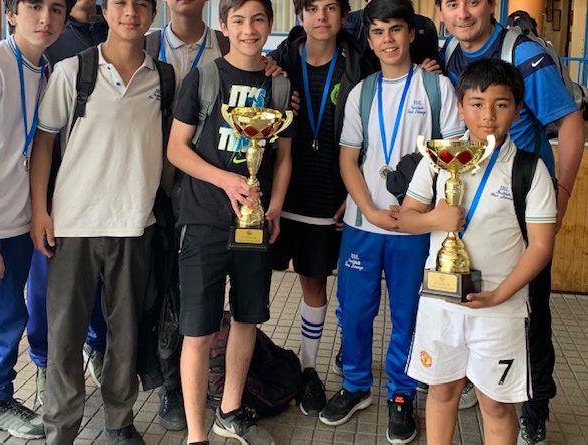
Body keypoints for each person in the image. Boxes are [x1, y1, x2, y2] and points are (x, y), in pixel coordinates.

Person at [436, 1, 585, 442]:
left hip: (521, 206)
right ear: (441, 11)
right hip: (471, 206)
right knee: (469, 295)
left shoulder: (522, 53)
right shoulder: (448, 52)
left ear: (491, 5)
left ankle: (534, 410)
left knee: (529, 313)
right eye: (452, 4)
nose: (463, 13)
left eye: (473, 2)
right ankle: (477, 378)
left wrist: (561, 197)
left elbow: (570, 123)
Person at [317, 0, 463, 443]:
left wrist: (424, 214)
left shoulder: (437, 88)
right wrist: (371, 210)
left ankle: (402, 393)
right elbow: (348, 161)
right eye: (378, 31)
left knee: (408, 312)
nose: (387, 40)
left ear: (411, 33)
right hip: (365, 223)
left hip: (415, 228)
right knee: (354, 310)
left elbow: (453, 160)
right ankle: (356, 384)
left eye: (395, 29)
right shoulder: (361, 93)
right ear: (369, 38)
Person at [402, 58, 557, 445]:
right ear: (460, 107)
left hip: (500, 309)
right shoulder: (438, 160)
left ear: (517, 110)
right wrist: (435, 218)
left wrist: (500, 295)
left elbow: (541, 245)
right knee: (442, 392)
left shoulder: (529, 169)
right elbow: (406, 218)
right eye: (476, 103)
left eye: (501, 104)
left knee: (497, 405)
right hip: (440, 303)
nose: (488, 116)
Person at [30, 0, 165, 443]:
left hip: (135, 224)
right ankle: (61, 428)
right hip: (74, 225)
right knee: (65, 337)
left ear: (152, 15)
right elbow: (44, 144)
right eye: (121, 3)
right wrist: (40, 211)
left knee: (125, 334)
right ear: (106, 11)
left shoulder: (163, 78)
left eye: (141, 5)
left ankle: (119, 420)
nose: (131, 12)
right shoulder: (73, 71)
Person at [167, 0, 293, 441]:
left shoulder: (279, 87)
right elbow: (176, 149)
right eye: (238, 20)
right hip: (204, 221)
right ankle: (196, 433)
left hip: (254, 225)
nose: (248, 29)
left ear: (270, 24)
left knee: (247, 318)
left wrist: (274, 207)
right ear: (223, 26)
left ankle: (231, 409)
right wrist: (226, 181)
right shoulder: (204, 78)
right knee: (198, 330)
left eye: (258, 19)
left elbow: (283, 158)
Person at [0, 0, 73, 442]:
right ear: (11, 13)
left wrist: (34, 216)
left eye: (56, 9)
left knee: (9, 320)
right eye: (34, 6)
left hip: (16, 225)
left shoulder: (45, 71)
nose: (45, 18)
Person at [267, 0, 372, 417]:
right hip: (278, 196)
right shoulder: (278, 63)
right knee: (253, 283)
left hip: (328, 197)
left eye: (331, 8)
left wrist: (355, 191)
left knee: (314, 283)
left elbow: (372, 136)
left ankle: (308, 369)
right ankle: (250, 366)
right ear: (300, 16)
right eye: (312, 8)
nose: (321, 17)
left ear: (345, 16)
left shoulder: (359, 66)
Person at [26, 0, 109, 409]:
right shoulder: (50, 35)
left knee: (101, 284)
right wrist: (39, 205)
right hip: (55, 188)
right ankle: (44, 362)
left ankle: (97, 346)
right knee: (48, 288)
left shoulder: (117, 29)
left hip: (105, 188)